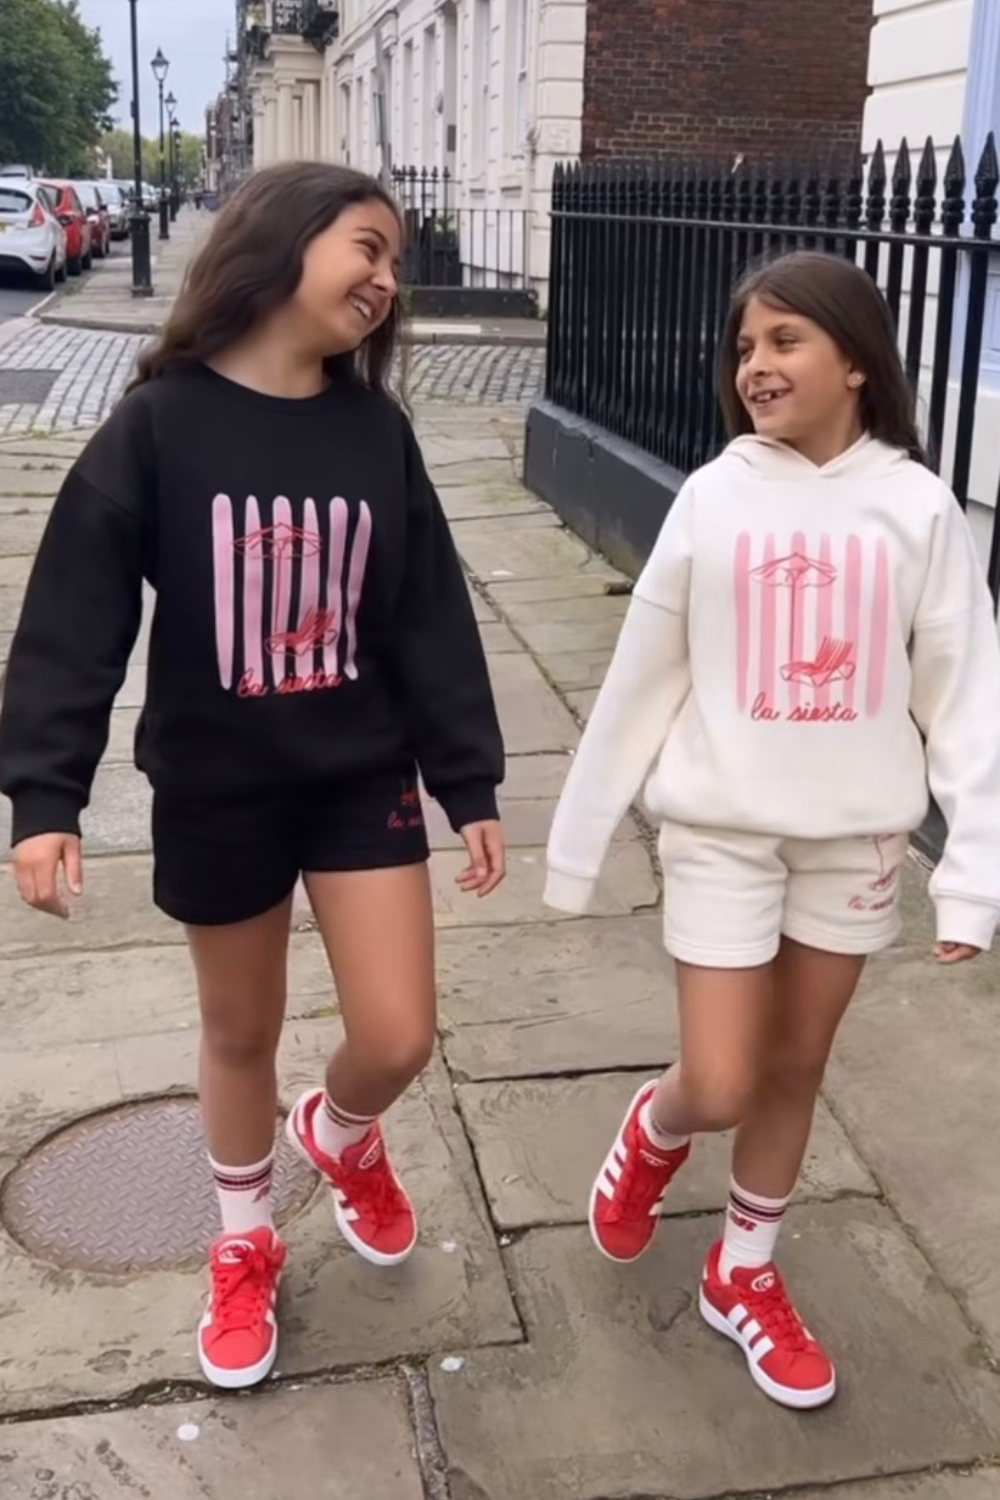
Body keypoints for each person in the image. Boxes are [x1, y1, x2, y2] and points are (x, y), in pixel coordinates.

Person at [0, 162, 506, 1391]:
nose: (385, 279)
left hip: (359, 774)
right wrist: (45, 799)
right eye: (366, 248)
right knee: (241, 1031)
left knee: (397, 1034)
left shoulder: (375, 431)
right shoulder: (160, 424)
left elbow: (430, 616)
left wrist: (470, 781)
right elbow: (74, 616)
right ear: (280, 243)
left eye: (395, 262)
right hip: (218, 788)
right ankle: (241, 1241)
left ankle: (338, 1133)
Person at [544, 250, 1000, 1411]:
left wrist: (972, 875)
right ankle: (656, 1128)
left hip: (856, 842)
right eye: (745, 345)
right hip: (722, 833)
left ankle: (740, 1270)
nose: (755, 364)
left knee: (795, 1066)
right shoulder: (715, 495)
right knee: (721, 1078)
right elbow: (642, 676)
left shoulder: (917, 506)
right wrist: (577, 845)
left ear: (856, 361)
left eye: (785, 340)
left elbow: (964, 694)